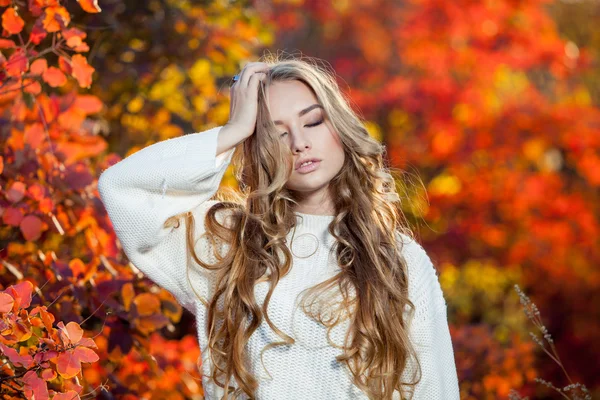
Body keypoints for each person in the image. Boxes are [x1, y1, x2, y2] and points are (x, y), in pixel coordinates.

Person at [98, 55, 460, 400]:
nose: (300, 143)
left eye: (313, 121)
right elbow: (122, 188)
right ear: (259, 148)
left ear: (339, 125)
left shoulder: (399, 260)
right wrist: (233, 130)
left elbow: (434, 389)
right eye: (276, 133)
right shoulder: (225, 240)